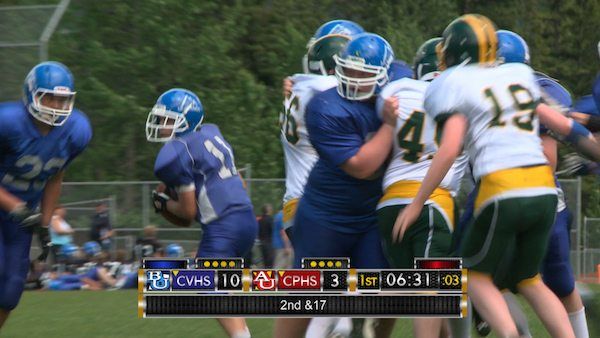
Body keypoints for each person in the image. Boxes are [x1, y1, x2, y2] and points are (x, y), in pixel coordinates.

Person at [394, 14, 599, 337]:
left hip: (502, 186)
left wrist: (417, 202)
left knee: (472, 274)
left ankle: (510, 334)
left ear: (455, 53)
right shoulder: (516, 76)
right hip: (546, 190)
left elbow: (448, 150)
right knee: (529, 278)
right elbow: (564, 127)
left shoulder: (455, 84)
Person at [275, 32, 397, 338]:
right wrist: (391, 124)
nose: (354, 78)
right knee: (308, 291)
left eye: (364, 71)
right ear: (335, 67)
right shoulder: (325, 102)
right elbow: (362, 166)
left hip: (370, 212)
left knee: (380, 293)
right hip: (325, 211)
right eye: (348, 69)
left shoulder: (393, 84)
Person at [146, 88, 257, 338]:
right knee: (225, 288)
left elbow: (187, 213)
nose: (160, 125)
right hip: (246, 218)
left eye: (166, 120)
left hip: (223, 226)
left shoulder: (177, 152)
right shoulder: (211, 134)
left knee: (207, 284)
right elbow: (241, 182)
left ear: (184, 122)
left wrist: (162, 204)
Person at [375, 37, 467, 338]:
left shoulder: (398, 90)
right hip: (431, 204)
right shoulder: (462, 100)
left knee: (413, 286)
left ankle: (364, 311)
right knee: (429, 289)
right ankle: (360, 310)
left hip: (389, 204)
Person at [0, 61, 92, 330]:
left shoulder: (77, 130)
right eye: (49, 96)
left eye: (63, 99)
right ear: (31, 94)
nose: (56, 105)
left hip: (22, 217)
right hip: (11, 207)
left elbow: (55, 175)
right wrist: (13, 205)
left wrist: (45, 223)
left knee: (11, 288)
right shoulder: (7, 122)